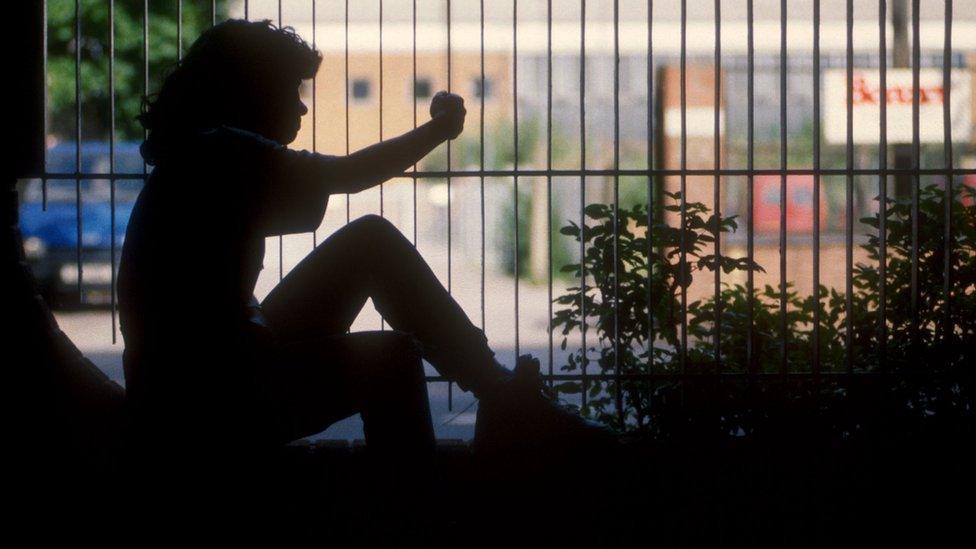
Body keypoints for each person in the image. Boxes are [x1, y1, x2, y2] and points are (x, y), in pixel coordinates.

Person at [117, 19, 615, 522]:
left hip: (197, 388)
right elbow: (349, 175)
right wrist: (439, 130)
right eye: (290, 89)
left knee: (370, 243)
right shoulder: (222, 153)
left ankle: (499, 400)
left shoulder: (196, 156)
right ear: (251, 89)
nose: (302, 106)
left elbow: (320, 195)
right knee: (389, 355)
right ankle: (423, 515)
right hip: (210, 406)